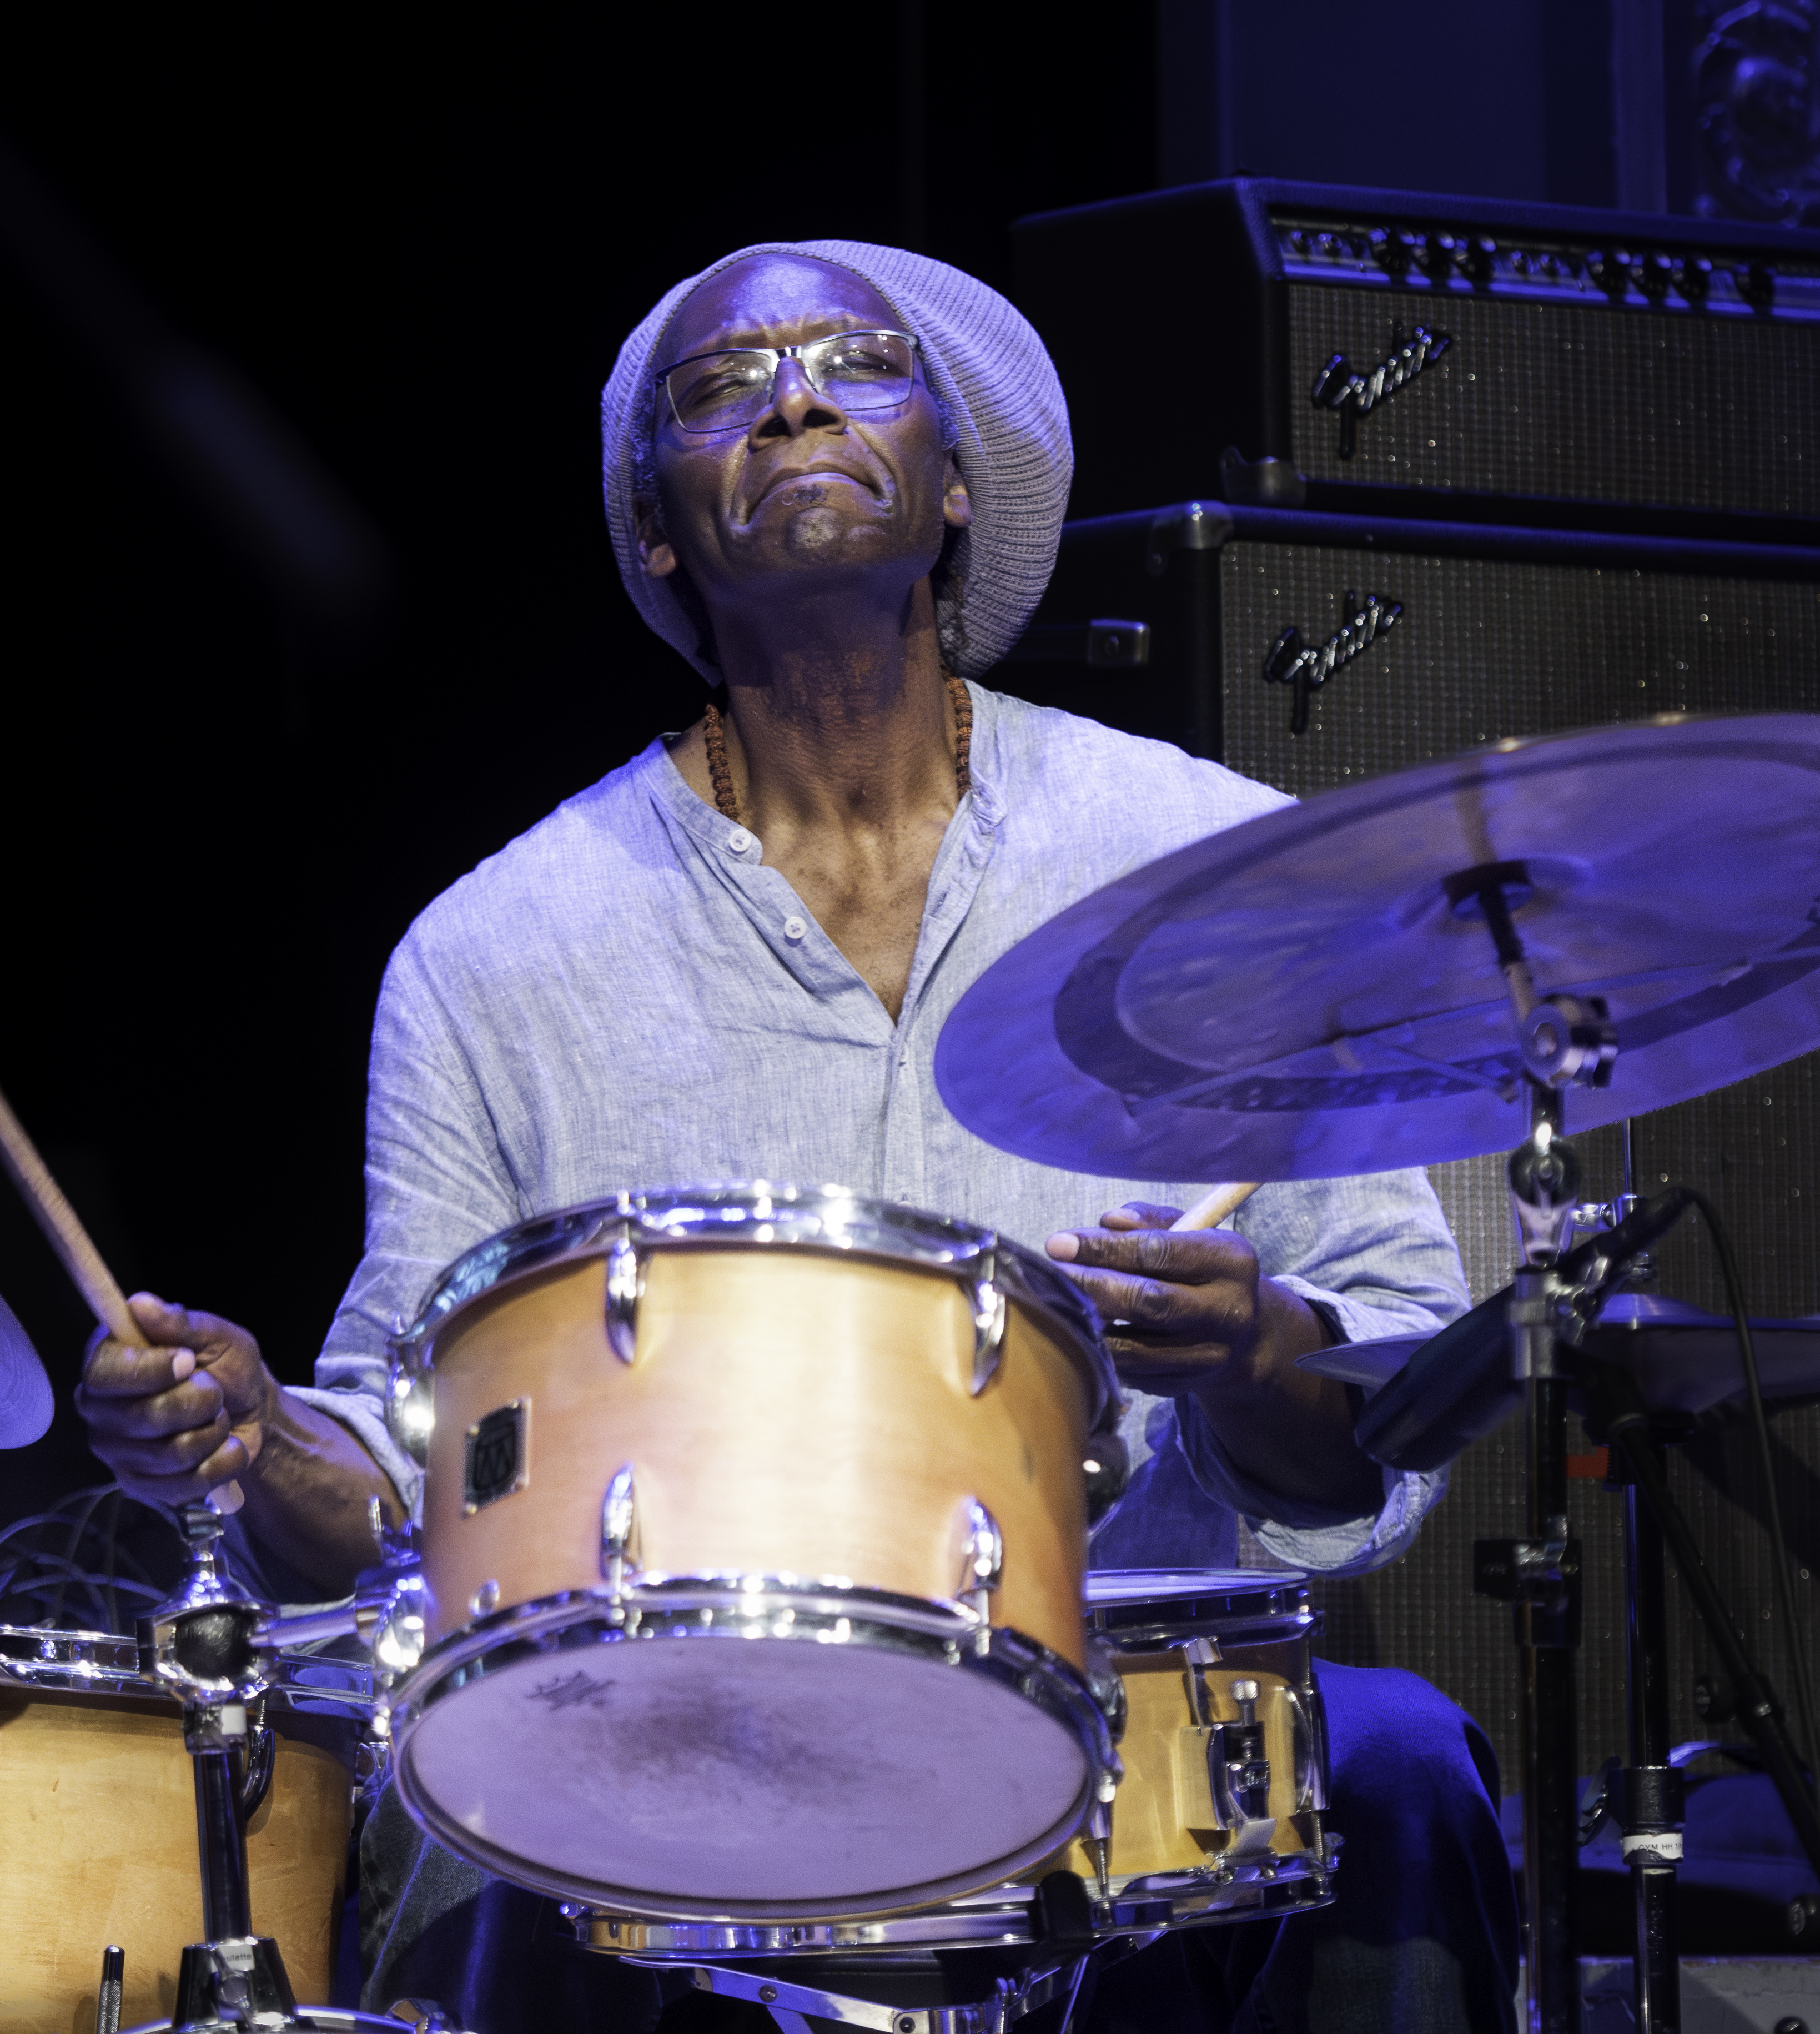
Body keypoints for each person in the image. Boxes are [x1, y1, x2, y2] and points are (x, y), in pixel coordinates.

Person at [79, 241, 1520, 2033]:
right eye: (720, 387)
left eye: (860, 363)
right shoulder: (493, 954)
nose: (795, 397)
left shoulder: (1212, 865)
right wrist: (249, 1439)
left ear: (951, 491)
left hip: (1140, 1710)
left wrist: (1245, 1358)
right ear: (662, 531)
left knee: (1397, 1767)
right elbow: (403, 1475)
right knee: (470, 1844)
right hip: (669, 1731)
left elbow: (1396, 1384)